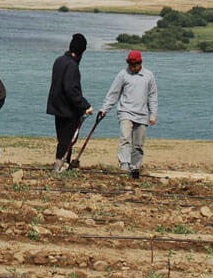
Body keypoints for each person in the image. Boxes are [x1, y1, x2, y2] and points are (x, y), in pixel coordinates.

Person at [99, 50, 158, 179]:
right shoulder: (123, 74)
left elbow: (152, 96)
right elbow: (113, 94)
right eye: (130, 64)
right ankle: (124, 165)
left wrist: (153, 114)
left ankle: (135, 166)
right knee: (125, 138)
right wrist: (104, 109)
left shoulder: (149, 76)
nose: (132, 67)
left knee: (138, 144)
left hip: (142, 114)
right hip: (125, 112)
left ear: (140, 63)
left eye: (135, 65)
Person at [47, 33, 93, 172]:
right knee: (68, 139)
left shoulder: (59, 60)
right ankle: (61, 164)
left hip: (57, 106)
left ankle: (63, 162)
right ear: (81, 51)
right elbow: (71, 90)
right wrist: (85, 105)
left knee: (62, 137)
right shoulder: (72, 66)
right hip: (68, 109)